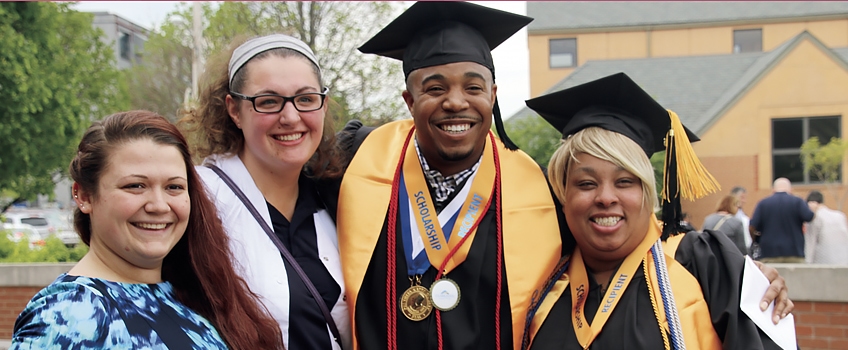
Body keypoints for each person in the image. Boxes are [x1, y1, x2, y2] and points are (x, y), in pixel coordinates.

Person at [337, 3, 566, 349]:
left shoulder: (538, 194)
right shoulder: (355, 162)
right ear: (409, 101)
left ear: (493, 96)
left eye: (473, 88)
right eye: (435, 89)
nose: (456, 102)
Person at [522, 73, 789, 349]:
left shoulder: (701, 263)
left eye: (625, 181)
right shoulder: (540, 281)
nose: (605, 197)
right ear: (563, 194)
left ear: (648, 192)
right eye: (586, 184)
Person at [11, 111, 283, 349]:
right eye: (135, 186)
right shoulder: (68, 314)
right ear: (83, 196)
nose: (158, 205)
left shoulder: (190, 294)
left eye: (174, 187)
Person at [179, 34, 350, 350]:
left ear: (323, 105)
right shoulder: (199, 198)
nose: (290, 117)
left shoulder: (336, 201)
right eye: (268, 101)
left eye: (306, 99)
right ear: (234, 110)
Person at [749, 178, 814, 263]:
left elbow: (753, 225)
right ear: (791, 190)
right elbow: (809, 217)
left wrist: (756, 239)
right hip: (794, 252)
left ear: (773, 190)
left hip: (769, 253)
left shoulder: (763, 203)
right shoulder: (797, 202)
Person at [804, 190, 848, 265]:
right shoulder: (840, 216)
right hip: (844, 260)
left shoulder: (815, 218)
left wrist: (807, 262)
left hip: (824, 261)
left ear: (812, 203)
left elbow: (810, 242)